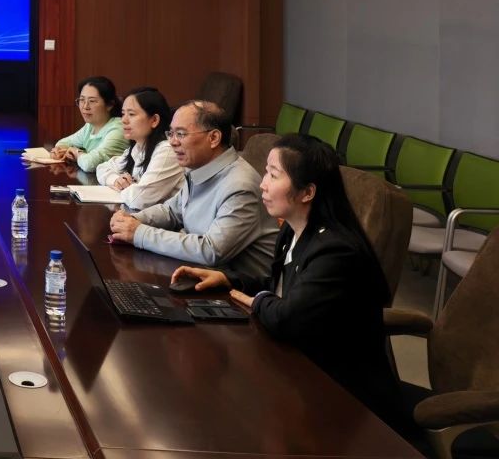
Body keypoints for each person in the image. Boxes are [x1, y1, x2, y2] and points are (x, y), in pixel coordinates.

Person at [170, 134, 405, 430]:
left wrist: (258, 301)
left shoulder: (335, 250)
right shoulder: (294, 230)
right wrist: (229, 279)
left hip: (345, 398)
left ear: (307, 192)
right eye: (266, 172)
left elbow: (287, 317)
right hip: (301, 368)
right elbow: (279, 285)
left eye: (273, 175)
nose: (262, 184)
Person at [108, 100, 277, 280]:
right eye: (171, 133)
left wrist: (139, 233)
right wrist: (133, 220)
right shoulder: (200, 167)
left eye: (181, 134)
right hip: (204, 276)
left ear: (213, 138)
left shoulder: (240, 186)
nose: (172, 142)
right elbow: (172, 211)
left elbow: (211, 250)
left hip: (241, 290)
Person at [95, 86, 184, 210]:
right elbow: (102, 168)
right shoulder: (138, 147)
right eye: (123, 114)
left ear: (154, 120)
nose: (124, 120)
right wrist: (116, 180)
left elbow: (139, 200)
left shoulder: (167, 151)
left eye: (131, 114)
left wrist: (126, 188)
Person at [52, 76, 126, 171]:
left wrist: (76, 152)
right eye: (82, 100)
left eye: (92, 101)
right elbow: (62, 143)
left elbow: (90, 164)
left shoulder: (119, 129)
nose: (85, 106)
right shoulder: (90, 126)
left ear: (109, 105)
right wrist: (61, 151)